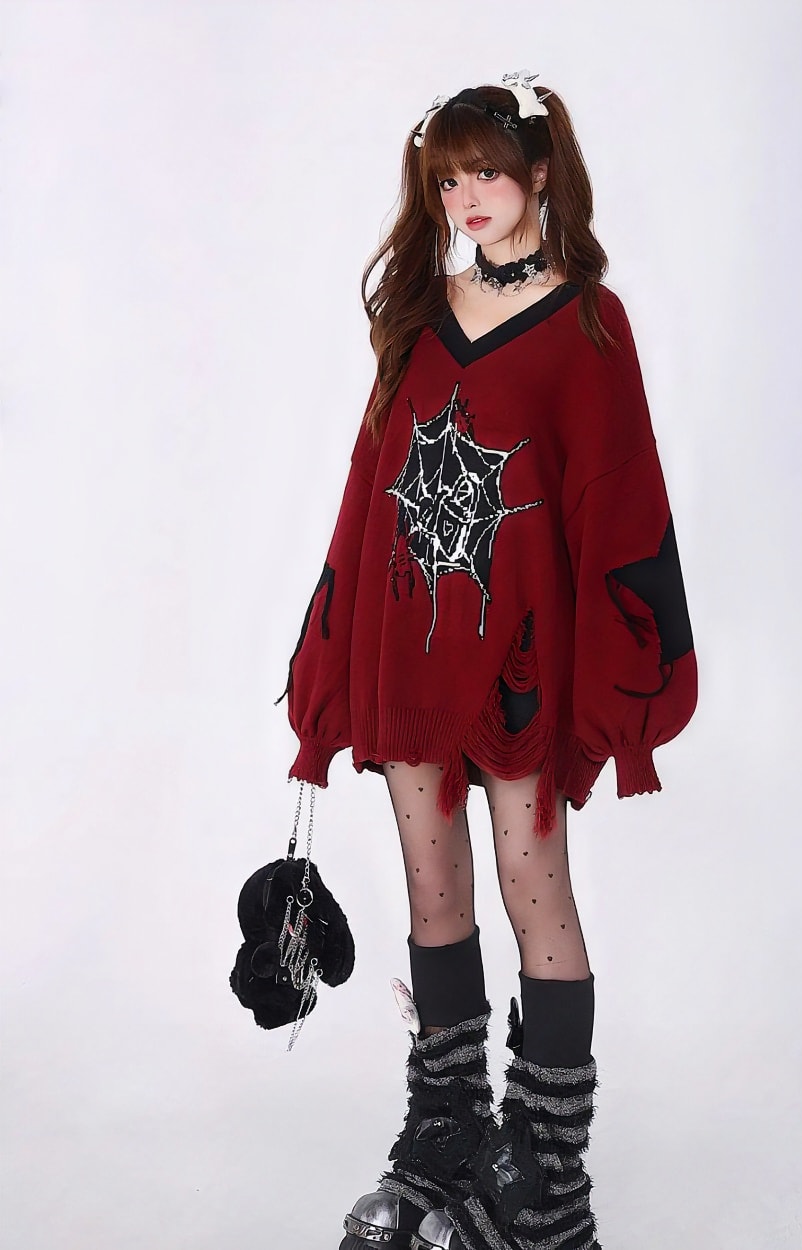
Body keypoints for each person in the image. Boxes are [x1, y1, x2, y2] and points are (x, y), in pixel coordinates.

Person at [277, 71, 698, 1250]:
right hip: (405, 643)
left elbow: (618, 502)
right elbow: (369, 488)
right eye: (447, 178)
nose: (466, 196)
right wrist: (329, 641)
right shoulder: (421, 315)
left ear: (539, 173)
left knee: (530, 878)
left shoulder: (588, 325)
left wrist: (624, 669)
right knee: (432, 888)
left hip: (520, 657)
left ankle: (545, 1181)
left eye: (487, 173)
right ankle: (447, 1138)